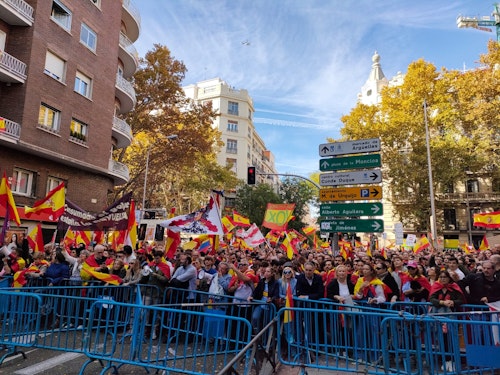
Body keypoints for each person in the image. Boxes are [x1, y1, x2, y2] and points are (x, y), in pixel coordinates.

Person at [429, 270, 466, 372]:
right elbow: (432, 299)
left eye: (445, 277)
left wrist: (452, 302)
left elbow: (461, 300)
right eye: (441, 277)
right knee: (442, 340)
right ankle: (446, 360)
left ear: (449, 278)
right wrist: (442, 302)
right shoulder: (436, 287)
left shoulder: (454, 287)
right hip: (438, 318)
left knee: (452, 339)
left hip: (452, 318)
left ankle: (453, 361)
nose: (443, 279)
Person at [248, 266, 279, 334]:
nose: (266, 273)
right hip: (261, 303)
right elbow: (256, 291)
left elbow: (276, 294)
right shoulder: (261, 281)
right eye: (265, 271)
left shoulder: (275, 283)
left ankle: (265, 340)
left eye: (268, 271)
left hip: (269, 306)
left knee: (267, 323)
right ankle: (257, 335)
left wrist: (271, 299)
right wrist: (251, 296)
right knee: (255, 317)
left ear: (272, 273)